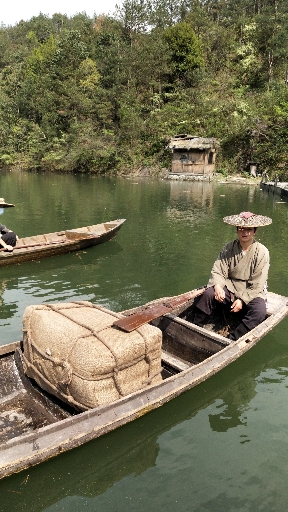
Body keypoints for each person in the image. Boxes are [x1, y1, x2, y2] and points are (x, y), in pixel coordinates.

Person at [192, 211, 272, 341]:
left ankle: (233, 339)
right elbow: (218, 269)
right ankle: (195, 326)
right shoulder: (229, 247)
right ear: (237, 230)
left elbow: (258, 282)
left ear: (254, 231)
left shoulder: (262, 252)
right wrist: (217, 285)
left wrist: (242, 300)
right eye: (241, 229)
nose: (244, 232)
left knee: (259, 311)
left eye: (248, 230)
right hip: (230, 286)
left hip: (252, 290)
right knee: (208, 294)